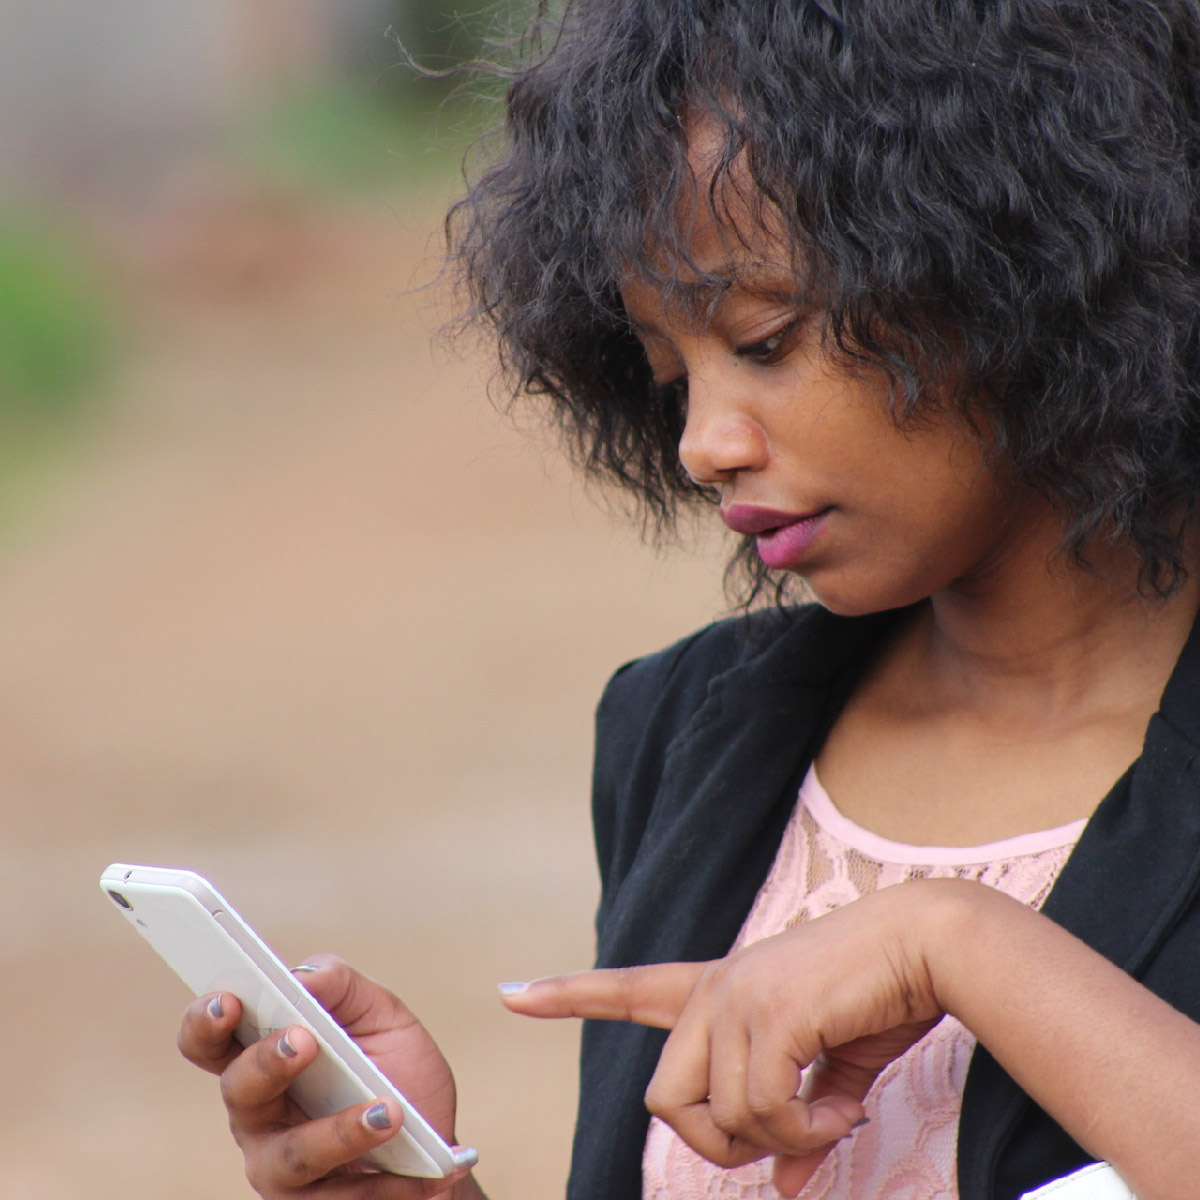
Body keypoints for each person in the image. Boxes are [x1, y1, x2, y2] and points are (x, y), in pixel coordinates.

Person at [176, 1, 1200, 1197]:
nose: (703, 444)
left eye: (765, 338)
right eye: (671, 377)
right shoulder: (687, 729)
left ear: (1025, 256)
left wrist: (958, 941)